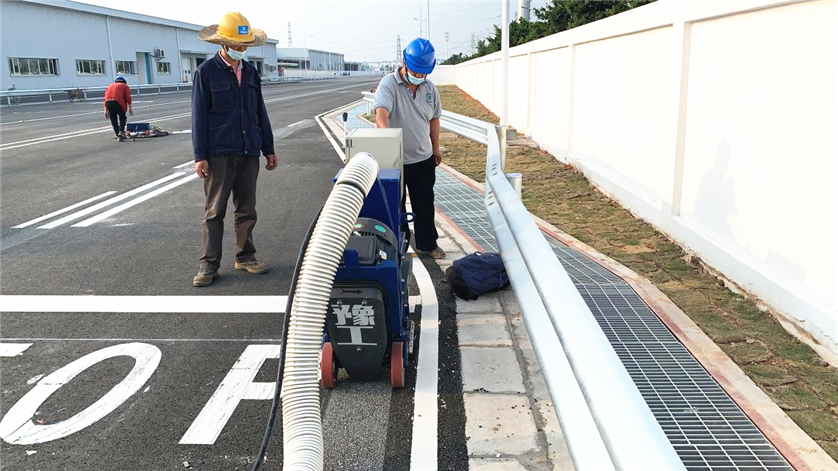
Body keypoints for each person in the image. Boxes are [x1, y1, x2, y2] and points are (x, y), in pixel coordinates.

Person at [191, 11, 278, 287]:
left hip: (248, 149)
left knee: (246, 207)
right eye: (238, 45)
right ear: (224, 43)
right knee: (214, 211)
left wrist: (268, 147)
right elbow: (199, 116)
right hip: (219, 152)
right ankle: (209, 264)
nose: (242, 50)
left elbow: (258, 111)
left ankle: (245, 257)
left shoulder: (251, 72)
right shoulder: (206, 73)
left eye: (246, 46)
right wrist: (199, 156)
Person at [373, 38, 445, 259]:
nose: (419, 76)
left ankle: (428, 244)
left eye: (424, 72)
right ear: (404, 61)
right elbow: (381, 114)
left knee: (425, 204)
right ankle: (399, 246)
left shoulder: (430, 88)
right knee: (397, 207)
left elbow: (434, 119)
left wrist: (436, 148)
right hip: (397, 161)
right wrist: (388, 141)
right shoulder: (389, 84)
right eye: (416, 71)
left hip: (423, 158)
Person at [104, 76, 132, 141]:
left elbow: (105, 98)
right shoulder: (125, 86)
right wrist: (130, 108)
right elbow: (128, 97)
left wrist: (105, 110)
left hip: (108, 102)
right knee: (122, 117)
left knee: (113, 119)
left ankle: (117, 134)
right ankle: (121, 131)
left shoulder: (109, 86)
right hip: (118, 102)